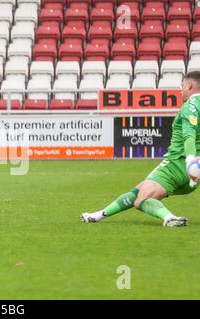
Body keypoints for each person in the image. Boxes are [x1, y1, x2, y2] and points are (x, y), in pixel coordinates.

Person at [81, 71, 200, 227]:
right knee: (140, 189)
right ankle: (99, 215)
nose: (181, 90)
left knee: (141, 200)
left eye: (182, 86)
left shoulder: (190, 106)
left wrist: (191, 161)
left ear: (190, 85)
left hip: (176, 165)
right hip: (193, 176)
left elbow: (188, 136)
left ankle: (169, 218)